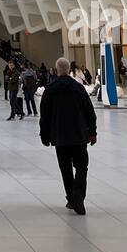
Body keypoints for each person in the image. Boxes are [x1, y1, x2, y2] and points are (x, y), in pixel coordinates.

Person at [38, 57, 97, 215]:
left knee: (65, 169)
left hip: (60, 137)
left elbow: (45, 116)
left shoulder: (50, 89)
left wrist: (44, 135)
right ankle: (78, 196)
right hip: (79, 135)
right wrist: (92, 132)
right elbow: (89, 112)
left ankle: (72, 198)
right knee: (82, 166)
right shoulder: (78, 88)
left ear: (57, 70)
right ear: (69, 70)